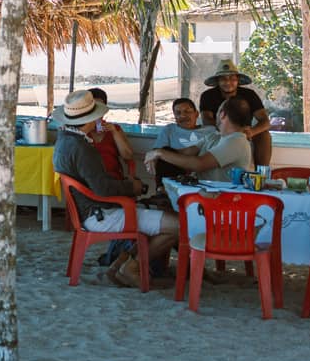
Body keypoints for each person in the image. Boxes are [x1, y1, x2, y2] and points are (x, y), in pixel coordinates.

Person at [53, 89, 178, 288]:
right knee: (178, 226)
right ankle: (131, 266)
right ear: (91, 118)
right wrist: (133, 187)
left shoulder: (64, 141)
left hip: (91, 211)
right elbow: (104, 188)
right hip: (101, 214)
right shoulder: (82, 148)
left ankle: (123, 263)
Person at [146, 96, 255, 184]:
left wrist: (159, 153)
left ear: (222, 115)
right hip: (200, 191)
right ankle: (162, 195)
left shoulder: (236, 141)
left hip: (218, 199)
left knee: (164, 154)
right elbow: (186, 152)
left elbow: (199, 164)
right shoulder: (215, 136)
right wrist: (157, 153)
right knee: (166, 153)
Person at [198, 60, 272, 166]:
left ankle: (262, 174)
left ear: (238, 80)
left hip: (245, 134)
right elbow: (207, 120)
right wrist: (230, 130)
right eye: (223, 79)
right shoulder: (208, 95)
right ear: (218, 81)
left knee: (264, 135)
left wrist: (252, 132)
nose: (228, 82)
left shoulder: (249, 94)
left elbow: (265, 122)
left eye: (232, 78)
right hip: (218, 131)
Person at [147, 98, 206, 190]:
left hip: (203, 168)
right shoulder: (169, 130)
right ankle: (162, 190)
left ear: (196, 114)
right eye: (178, 113)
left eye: (187, 111)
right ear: (174, 116)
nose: (183, 116)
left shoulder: (209, 130)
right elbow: (156, 153)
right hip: (175, 171)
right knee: (164, 151)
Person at [86, 88, 136, 181]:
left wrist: (114, 132)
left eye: (100, 107)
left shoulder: (114, 129)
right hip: (88, 179)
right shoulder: (80, 131)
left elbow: (128, 156)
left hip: (112, 178)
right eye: (93, 107)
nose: (96, 111)